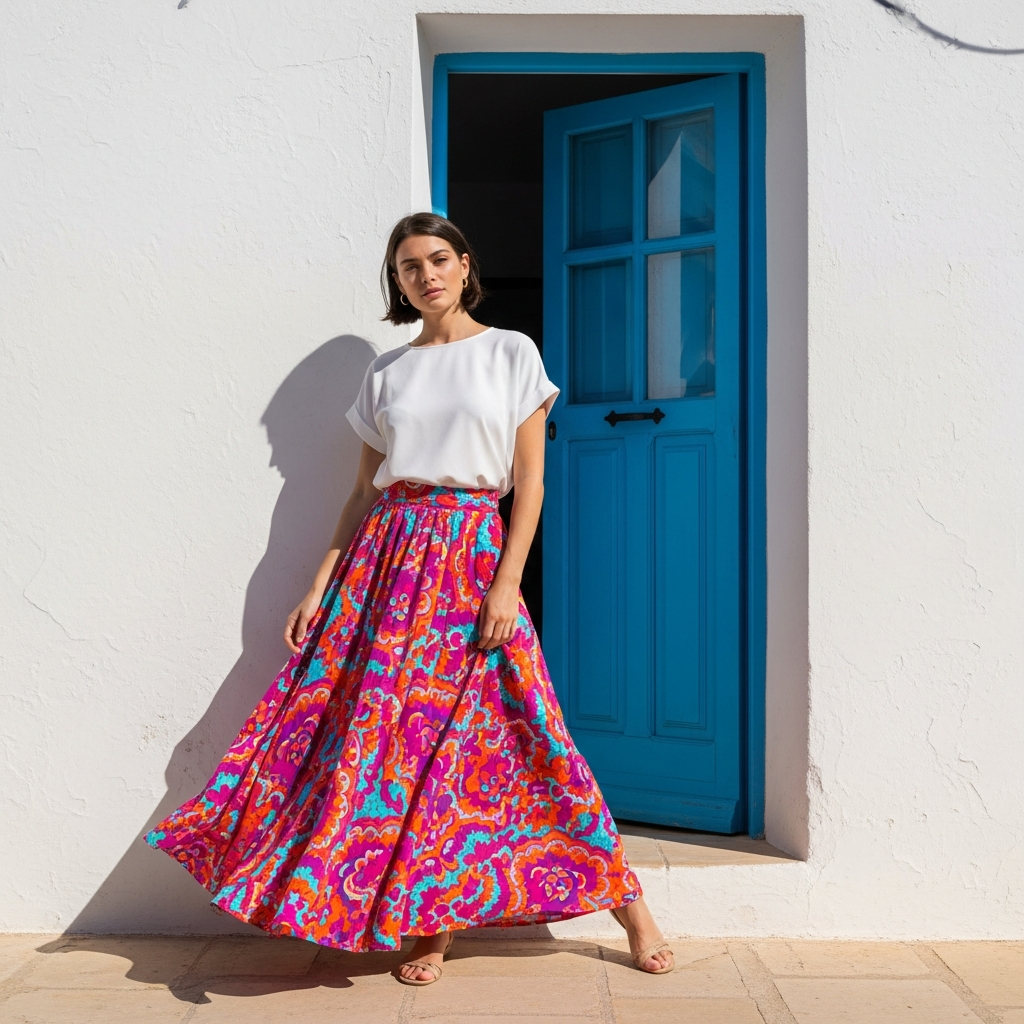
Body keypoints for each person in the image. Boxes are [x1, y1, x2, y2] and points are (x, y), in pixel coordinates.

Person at [145, 212, 674, 985]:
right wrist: (320, 583)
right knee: (397, 749)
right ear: (397, 283)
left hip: (468, 556)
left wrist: (506, 585)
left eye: (436, 260)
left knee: (528, 733)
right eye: (406, 268)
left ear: (465, 265)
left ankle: (631, 907)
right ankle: (429, 923)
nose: (424, 276)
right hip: (384, 566)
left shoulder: (509, 353)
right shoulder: (388, 373)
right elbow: (363, 491)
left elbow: (528, 486)